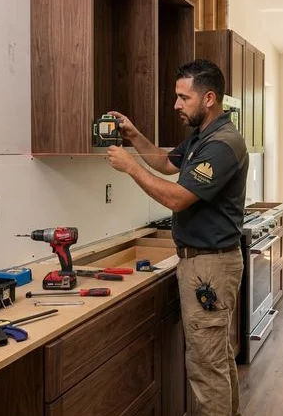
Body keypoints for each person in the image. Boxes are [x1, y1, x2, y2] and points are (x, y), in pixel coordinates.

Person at [106, 59, 248, 416]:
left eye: (184, 97)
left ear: (209, 98)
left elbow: (177, 197)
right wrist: (134, 136)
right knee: (216, 359)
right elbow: (165, 162)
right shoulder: (203, 136)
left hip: (210, 267)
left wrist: (130, 167)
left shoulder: (222, 144)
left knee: (207, 366)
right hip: (205, 263)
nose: (176, 104)